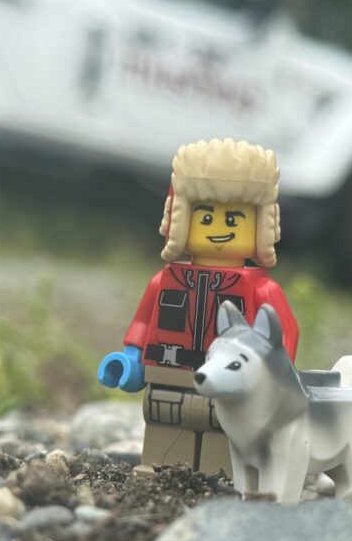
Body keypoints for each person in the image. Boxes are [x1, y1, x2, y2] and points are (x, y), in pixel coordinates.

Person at [98, 138, 298, 475]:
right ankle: (160, 471)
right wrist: (131, 360)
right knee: (164, 421)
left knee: (224, 431)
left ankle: (220, 477)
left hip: (231, 384)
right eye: (205, 218)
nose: (218, 229)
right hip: (168, 375)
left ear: (261, 224)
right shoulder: (164, 281)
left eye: (233, 220)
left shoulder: (262, 290)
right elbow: (144, 326)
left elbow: (282, 337)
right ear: (180, 219)